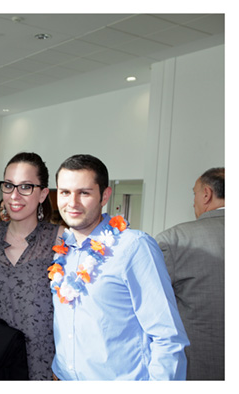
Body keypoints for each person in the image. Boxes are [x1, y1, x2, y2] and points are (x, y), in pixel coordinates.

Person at [50, 154, 189, 380]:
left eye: (84, 193)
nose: (72, 202)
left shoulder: (134, 247)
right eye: (65, 192)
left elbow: (167, 337)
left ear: (105, 195)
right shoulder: (64, 251)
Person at [0, 152, 64, 380]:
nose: (14, 195)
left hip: (43, 361)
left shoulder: (60, 239)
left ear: (43, 193)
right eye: (9, 185)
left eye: (26, 186)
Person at [155, 167, 225, 380]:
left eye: (194, 193)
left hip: (197, 367)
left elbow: (153, 306)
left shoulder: (174, 240)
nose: (193, 201)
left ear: (206, 194)